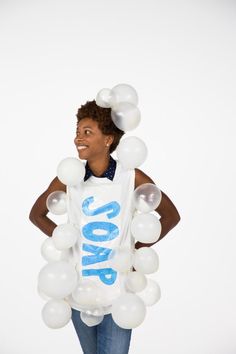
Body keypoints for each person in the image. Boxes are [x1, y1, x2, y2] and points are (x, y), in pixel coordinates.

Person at [29, 100, 181, 354]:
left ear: (108, 139)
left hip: (118, 295)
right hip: (78, 292)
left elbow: (170, 216)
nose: (79, 138)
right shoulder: (70, 177)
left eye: (87, 132)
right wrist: (65, 240)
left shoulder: (131, 177)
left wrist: (138, 248)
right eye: (77, 131)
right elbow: (37, 214)